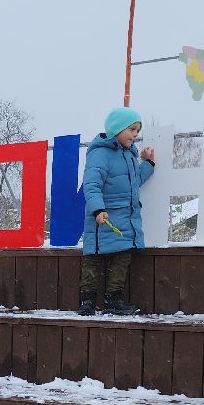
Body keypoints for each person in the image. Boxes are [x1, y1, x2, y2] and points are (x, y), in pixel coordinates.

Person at [81, 106, 156, 315]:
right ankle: (87, 300)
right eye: (131, 129)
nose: (135, 135)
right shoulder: (100, 154)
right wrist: (98, 209)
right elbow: (91, 184)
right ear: (117, 129)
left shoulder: (130, 155)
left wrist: (147, 164)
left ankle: (113, 300)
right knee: (93, 259)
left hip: (124, 220)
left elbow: (134, 181)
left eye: (137, 131)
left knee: (122, 258)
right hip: (103, 218)